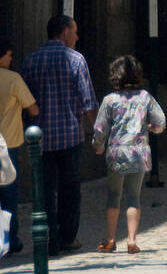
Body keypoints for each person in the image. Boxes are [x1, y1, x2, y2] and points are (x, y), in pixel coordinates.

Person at [21, 15, 97, 258]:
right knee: (70, 188)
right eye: (74, 32)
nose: (77, 37)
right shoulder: (76, 60)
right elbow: (88, 101)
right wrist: (97, 132)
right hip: (70, 136)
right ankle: (67, 237)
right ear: (64, 32)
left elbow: (25, 100)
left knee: (44, 190)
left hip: (39, 140)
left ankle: (47, 240)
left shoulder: (30, 61)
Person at [92, 56, 166, 254]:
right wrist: (152, 128)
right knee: (134, 195)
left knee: (114, 194)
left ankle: (110, 239)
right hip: (139, 151)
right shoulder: (145, 97)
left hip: (117, 152)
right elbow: (160, 121)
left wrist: (98, 145)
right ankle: (132, 241)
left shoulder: (110, 100)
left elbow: (100, 128)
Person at [0, 37, 39, 256]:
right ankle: (9, 240)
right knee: (8, 195)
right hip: (7, 144)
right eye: (9, 55)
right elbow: (33, 109)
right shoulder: (13, 79)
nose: (11, 58)